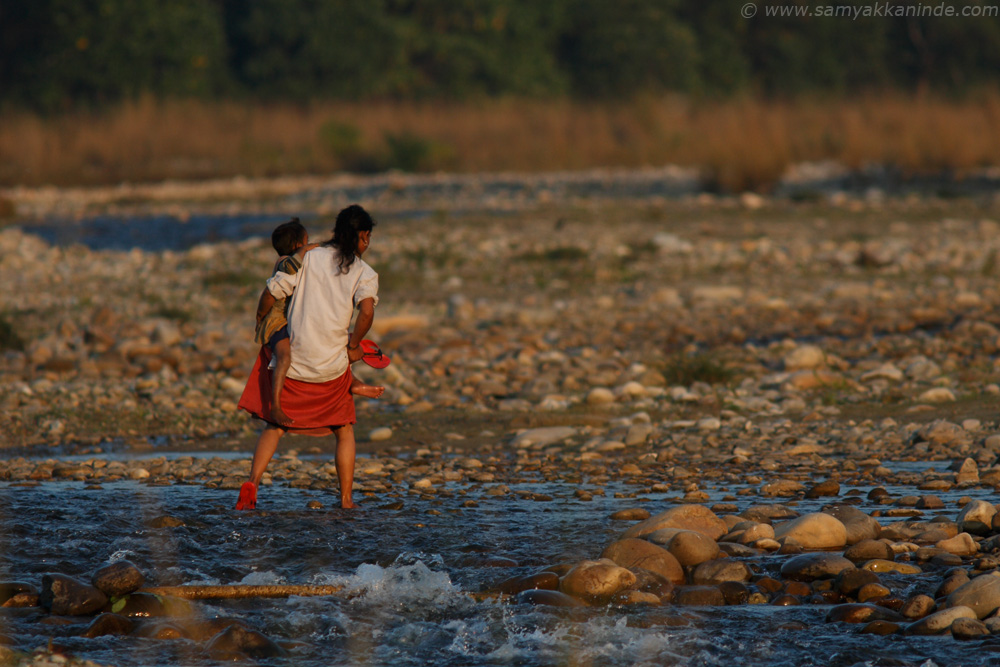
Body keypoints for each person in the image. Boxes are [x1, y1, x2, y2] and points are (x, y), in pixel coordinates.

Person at [236, 204, 381, 510]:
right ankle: (345, 500)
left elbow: (273, 292)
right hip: (331, 371)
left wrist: (260, 321)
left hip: (292, 369)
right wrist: (354, 345)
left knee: (273, 427)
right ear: (363, 237)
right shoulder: (365, 273)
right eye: (367, 238)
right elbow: (366, 312)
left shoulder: (307, 257)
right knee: (344, 429)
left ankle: (252, 483)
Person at [254, 218, 383, 426]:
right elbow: (270, 294)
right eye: (306, 241)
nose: (310, 245)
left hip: (291, 319)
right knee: (285, 356)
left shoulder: (298, 260)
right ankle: (276, 406)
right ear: (298, 245)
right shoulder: (286, 262)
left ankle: (353, 382)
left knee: (337, 342)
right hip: (278, 321)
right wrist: (260, 317)